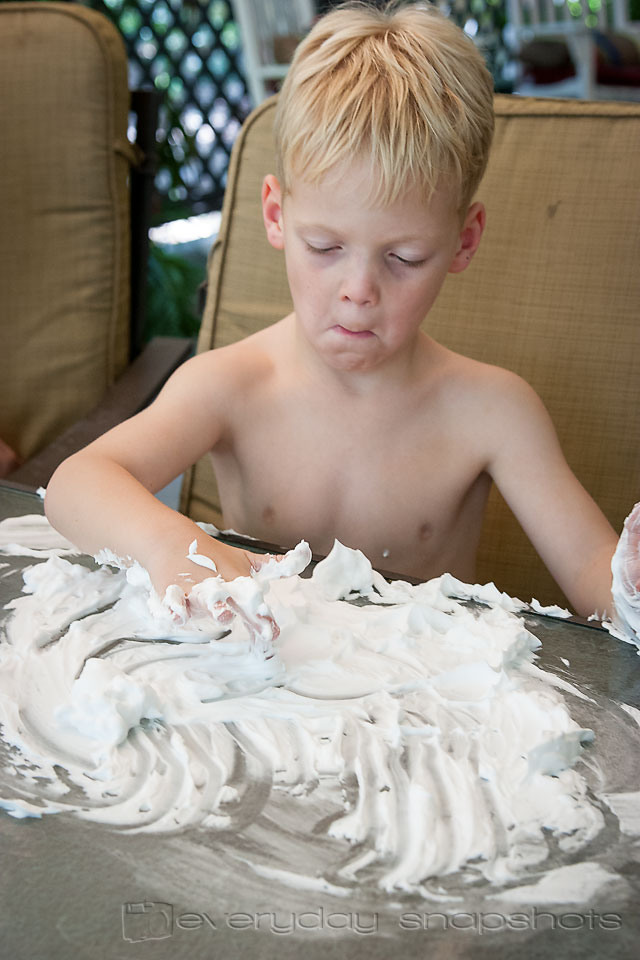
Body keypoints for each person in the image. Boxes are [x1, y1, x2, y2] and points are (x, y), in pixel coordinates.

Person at [45, 1, 621, 622]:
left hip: (426, 701)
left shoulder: (494, 410)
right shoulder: (228, 384)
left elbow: (593, 570)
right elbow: (78, 483)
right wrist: (170, 545)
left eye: (403, 257)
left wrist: (631, 585)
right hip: (263, 689)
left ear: (464, 241)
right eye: (325, 247)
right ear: (276, 216)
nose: (358, 289)